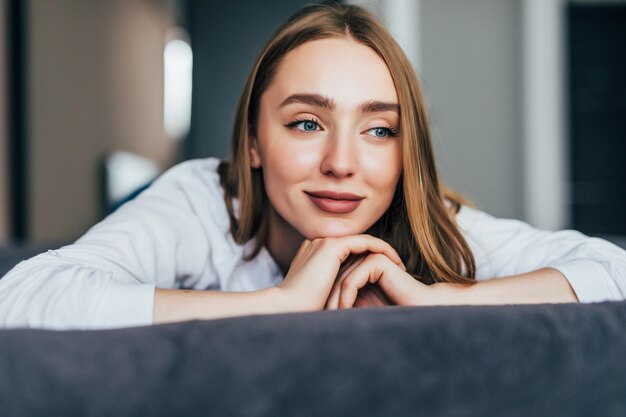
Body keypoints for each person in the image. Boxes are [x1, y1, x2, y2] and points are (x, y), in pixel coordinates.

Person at [1, 4, 625, 330]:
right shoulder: (200, 200)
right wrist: (280, 302)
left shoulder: (434, 219)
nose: (342, 163)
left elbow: (612, 270)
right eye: (307, 122)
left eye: (379, 129)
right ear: (251, 142)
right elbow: (24, 296)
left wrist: (437, 301)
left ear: (407, 156)